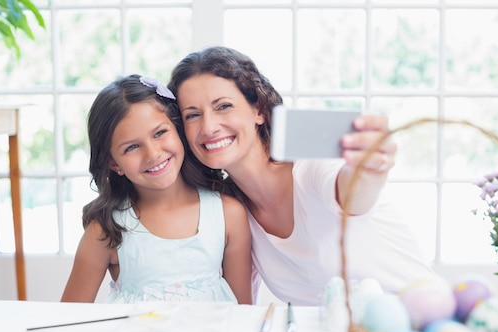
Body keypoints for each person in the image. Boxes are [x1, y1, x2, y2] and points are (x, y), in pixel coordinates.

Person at [168, 46, 442, 306]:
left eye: (223, 106)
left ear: (259, 110)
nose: (209, 126)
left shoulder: (311, 168)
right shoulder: (229, 211)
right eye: (192, 115)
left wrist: (370, 167)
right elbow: (240, 305)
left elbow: (353, 193)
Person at [61, 74, 252, 304]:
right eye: (132, 147)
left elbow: (244, 315)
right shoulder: (106, 229)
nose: (153, 154)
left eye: (160, 133)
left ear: (178, 130)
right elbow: (69, 318)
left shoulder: (228, 215)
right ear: (114, 164)